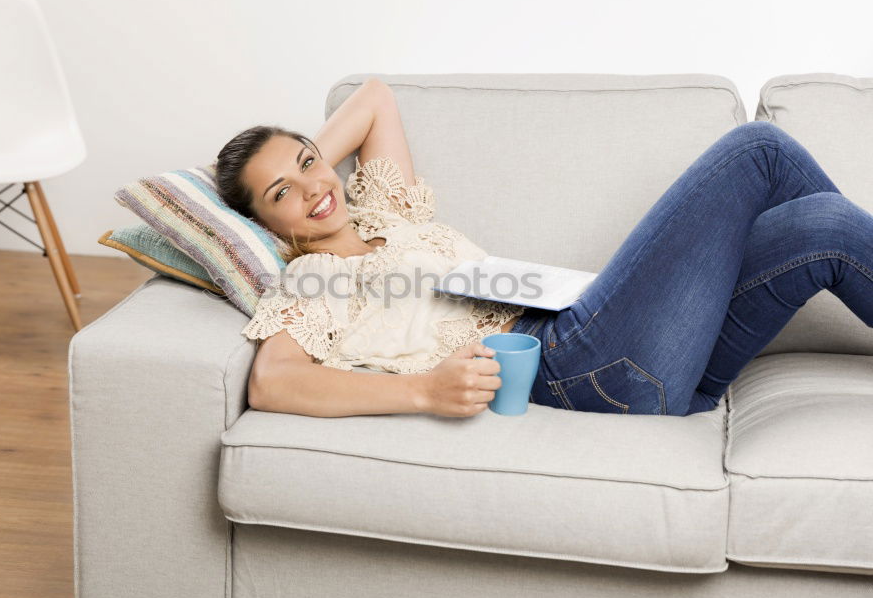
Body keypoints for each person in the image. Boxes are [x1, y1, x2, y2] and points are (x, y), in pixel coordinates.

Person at [215, 78, 873, 419]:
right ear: (263, 224)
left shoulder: (383, 211)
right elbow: (273, 382)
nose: (312, 186)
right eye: (281, 194)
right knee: (756, 149)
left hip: (634, 346)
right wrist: (423, 392)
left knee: (828, 223)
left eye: (310, 160)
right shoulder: (313, 280)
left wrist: (302, 174)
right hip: (579, 365)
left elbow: (374, 99)